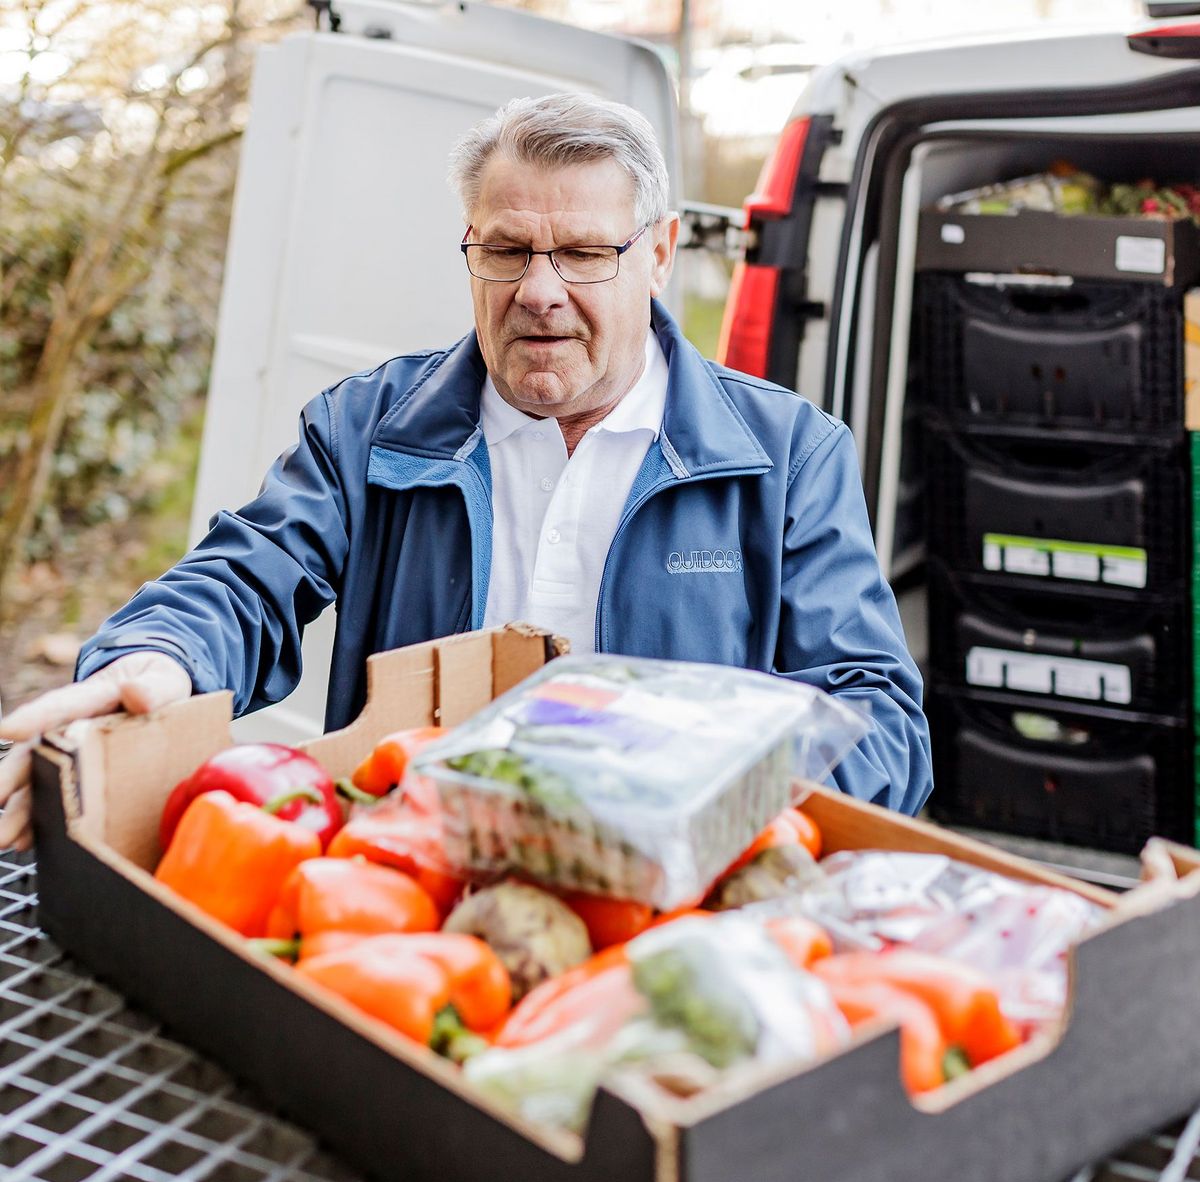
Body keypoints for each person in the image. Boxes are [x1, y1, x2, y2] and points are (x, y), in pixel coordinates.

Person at [0, 92, 932, 852]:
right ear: (470, 247)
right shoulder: (371, 428)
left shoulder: (786, 457)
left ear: (657, 254)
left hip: (672, 912)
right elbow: (245, 579)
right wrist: (157, 661)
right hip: (401, 888)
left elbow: (881, 722)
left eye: (580, 252)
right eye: (508, 250)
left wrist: (700, 811)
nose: (538, 290)